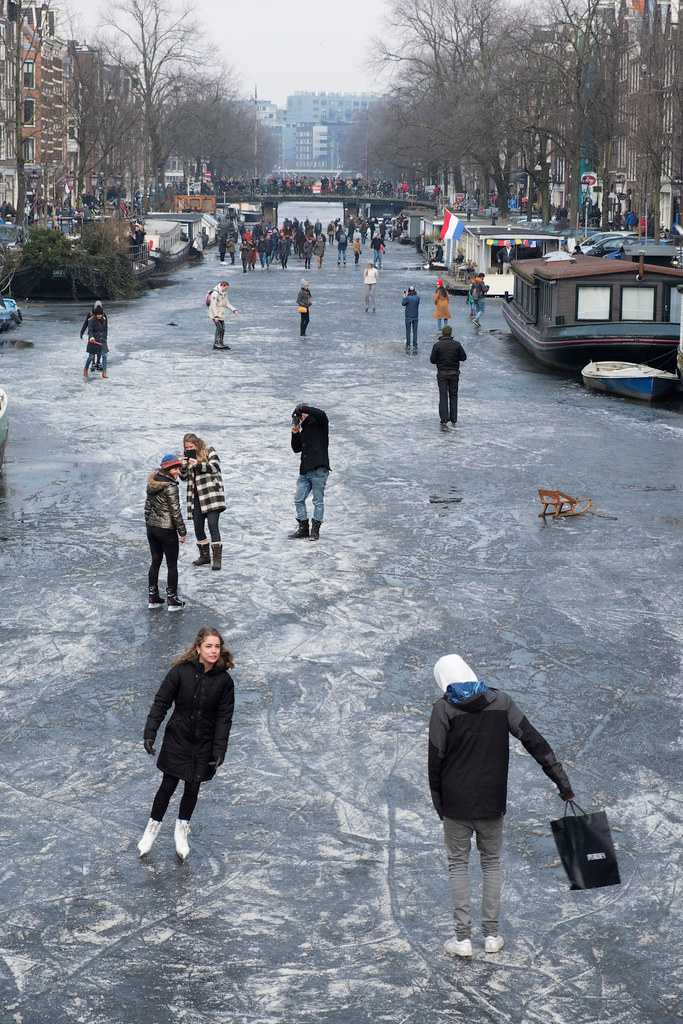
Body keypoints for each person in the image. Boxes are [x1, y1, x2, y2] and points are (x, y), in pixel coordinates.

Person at [428, 654, 574, 958]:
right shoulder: (501, 702)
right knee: (491, 862)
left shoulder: (443, 709)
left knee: (458, 864)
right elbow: (535, 742)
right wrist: (562, 782)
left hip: (455, 803)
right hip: (492, 801)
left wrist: (439, 802)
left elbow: (435, 760)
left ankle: (463, 940)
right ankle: (492, 936)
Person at [137, 627, 235, 861]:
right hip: (178, 738)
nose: (213, 651)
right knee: (168, 785)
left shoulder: (225, 682)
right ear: (198, 648)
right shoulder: (180, 672)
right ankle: (152, 829)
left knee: (193, 787)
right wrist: (150, 732)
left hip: (204, 743)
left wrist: (219, 748)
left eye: (217, 647)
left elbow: (224, 718)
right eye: (209, 646)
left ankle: (181, 829)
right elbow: (161, 702)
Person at [144, 453, 187, 612]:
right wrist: (182, 532)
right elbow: (175, 512)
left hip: (152, 528)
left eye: (178, 468)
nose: (178, 471)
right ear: (168, 469)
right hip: (166, 530)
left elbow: (147, 507)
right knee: (172, 564)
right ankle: (172, 599)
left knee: (155, 560)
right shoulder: (170, 486)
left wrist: (149, 524)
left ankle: (153, 597)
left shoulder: (152, 483)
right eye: (175, 468)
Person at [181, 433, 226, 571]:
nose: (189, 448)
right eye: (186, 447)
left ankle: (217, 559)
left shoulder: (209, 450)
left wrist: (198, 464)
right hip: (195, 498)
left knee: (213, 525)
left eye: (191, 446)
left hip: (211, 496)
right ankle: (205, 556)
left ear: (197, 444)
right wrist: (183, 465)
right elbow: (183, 478)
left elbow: (214, 467)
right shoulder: (187, 458)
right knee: (198, 528)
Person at [289, 404, 330, 542]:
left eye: (300, 416)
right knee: (298, 499)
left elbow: (322, 413)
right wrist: (295, 432)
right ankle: (304, 528)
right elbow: (296, 449)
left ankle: (315, 530)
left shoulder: (320, 424)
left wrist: (304, 409)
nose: (299, 419)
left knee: (318, 501)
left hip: (319, 469)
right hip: (305, 472)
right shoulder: (303, 429)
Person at [429, 326, 467, 428]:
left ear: (443, 333)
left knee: (443, 396)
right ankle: (454, 419)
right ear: (450, 333)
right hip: (454, 373)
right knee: (453, 396)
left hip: (442, 374)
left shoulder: (437, 345)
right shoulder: (457, 345)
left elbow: (432, 360)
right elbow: (464, 357)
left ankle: (444, 419)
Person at [81, 301, 109, 379]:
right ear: (95, 314)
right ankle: (85, 369)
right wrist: (91, 337)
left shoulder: (104, 317)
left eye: (100, 314)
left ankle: (104, 372)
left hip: (102, 340)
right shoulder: (91, 319)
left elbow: (106, 328)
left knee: (105, 355)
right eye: (98, 315)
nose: (99, 316)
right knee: (91, 356)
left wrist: (105, 337)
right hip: (93, 341)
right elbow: (89, 330)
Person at [208, 281, 238, 351]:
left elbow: (226, 303)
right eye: (226, 288)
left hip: (220, 313)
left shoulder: (224, 292)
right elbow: (213, 305)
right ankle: (216, 344)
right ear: (222, 286)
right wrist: (215, 316)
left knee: (223, 328)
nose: (227, 290)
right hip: (214, 313)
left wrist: (233, 309)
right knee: (219, 328)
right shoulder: (215, 293)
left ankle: (221, 343)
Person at [402, 286, 420, 353]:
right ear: (414, 291)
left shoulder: (407, 298)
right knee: (415, 332)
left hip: (408, 317)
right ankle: (415, 345)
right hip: (415, 317)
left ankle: (408, 345)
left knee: (408, 331)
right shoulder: (418, 298)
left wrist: (404, 296)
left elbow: (403, 303)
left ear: (408, 291)